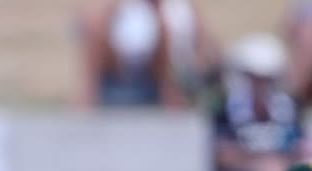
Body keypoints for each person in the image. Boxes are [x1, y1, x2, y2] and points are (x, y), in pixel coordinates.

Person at [208, 34, 307, 171]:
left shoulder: (290, 107)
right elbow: (224, 156)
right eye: (255, 78)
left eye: (266, 79)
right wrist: (260, 163)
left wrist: (279, 163)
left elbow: (300, 148)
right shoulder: (226, 109)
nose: (261, 85)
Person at [76, 0, 217, 108]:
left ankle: (171, 96)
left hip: (172, 76)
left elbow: (206, 44)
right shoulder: (130, 10)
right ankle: (86, 102)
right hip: (131, 73)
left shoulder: (181, 9)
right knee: (95, 31)